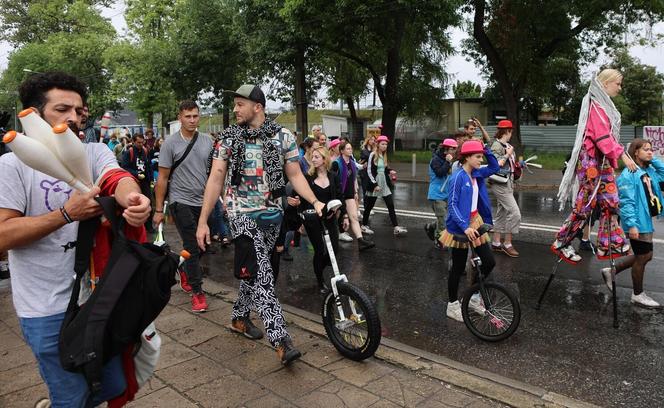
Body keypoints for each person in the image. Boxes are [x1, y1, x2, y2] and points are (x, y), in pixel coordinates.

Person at [0, 71, 152, 407]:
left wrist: (133, 200)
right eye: (62, 109)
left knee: (110, 386)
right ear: (34, 117)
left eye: (78, 110)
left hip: (98, 299)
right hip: (45, 309)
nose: (73, 117)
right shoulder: (11, 167)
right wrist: (66, 214)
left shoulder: (94, 151)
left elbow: (117, 177)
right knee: (72, 398)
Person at [196, 84, 326, 365]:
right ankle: (281, 340)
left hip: (272, 215)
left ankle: (240, 318)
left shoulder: (283, 137)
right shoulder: (228, 139)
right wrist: (203, 221)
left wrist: (315, 201)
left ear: (258, 107)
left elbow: (295, 175)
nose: (235, 109)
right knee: (264, 275)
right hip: (240, 213)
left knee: (255, 273)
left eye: (240, 104)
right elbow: (216, 178)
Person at [553, 69, 637, 264]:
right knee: (586, 204)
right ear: (606, 84)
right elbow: (602, 138)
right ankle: (562, 242)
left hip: (602, 161)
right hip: (591, 161)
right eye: (618, 84)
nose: (620, 87)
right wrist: (623, 155)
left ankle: (609, 242)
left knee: (610, 200)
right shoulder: (596, 107)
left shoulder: (604, 107)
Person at [153, 100, 214, 312]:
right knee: (192, 246)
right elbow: (162, 178)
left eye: (195, 116)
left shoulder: (207, 141)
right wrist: (159, 210)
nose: (192, 120)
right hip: (180, 201)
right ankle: (197, 293)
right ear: (180, 117)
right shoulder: (170, 144)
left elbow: (214, 175)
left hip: (204, 201)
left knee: (204, 245)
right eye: (187, 116)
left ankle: (183, 266)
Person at [439, 140, 499, 322]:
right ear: (467, 157)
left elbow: (495, 166)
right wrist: (464, 227)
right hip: (459, 226)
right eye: (478, 156)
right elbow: (452, 205)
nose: (481, 159)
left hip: (475, 221)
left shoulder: (476, 173)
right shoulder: (458, 177)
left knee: (489, 262)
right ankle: (452, 305)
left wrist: (486, 149)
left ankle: (472, 297)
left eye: (481, 156)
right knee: (457, 268)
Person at [605, 139, 663, 308]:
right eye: (646, 150)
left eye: (652, 150)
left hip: (645, 219)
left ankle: (611, 271)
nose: (650, 152)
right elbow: (626, 202)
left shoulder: (648, 170)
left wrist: (653, 160)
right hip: (638, 221)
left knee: (645, 255)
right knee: (643, 256)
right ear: (635, 152)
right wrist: (632, 225)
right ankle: (637, 294)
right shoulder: (628, 174)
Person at [300, 146, 341, 293]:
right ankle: (320, 280)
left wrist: (337, 209)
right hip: (313, 219)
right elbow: (300, 198)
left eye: (317, 157)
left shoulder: (333, 176)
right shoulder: (307, 177)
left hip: (329, 218)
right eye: (312, 156)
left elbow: (339, 196)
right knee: (319, 250)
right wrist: (301, 220)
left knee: (334, 250)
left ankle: (319, 267)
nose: (313, 159)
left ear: (324, 159)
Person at [363, 135, 408, 236]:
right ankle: (364, 225)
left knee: (390, 205)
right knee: (369, 206)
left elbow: (383, 168)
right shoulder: (372, 154)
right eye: (383, 144)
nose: (385, 146)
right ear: (378, 144)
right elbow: (369, 171)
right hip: (374, 182)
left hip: (384, 182)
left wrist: (390, 171)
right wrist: (374, 184)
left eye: (386, 144)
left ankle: (396, 227)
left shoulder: (384, 155)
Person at [489, 120, 521, 257]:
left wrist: (518, 165)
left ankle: (496, 243)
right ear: (507, 131)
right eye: (511, 131)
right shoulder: (496, 145)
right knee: (515, 213)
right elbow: (497, 165)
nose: (511, 133)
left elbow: (508, 165)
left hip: (508, 183)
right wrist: (508, 155)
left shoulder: (506, 145)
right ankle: (507, 243)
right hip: (500, 183)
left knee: (502, 212)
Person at [335, 140, 374, 250]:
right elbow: (333, 181)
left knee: (354, 218)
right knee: (336, 217)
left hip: (349, 194)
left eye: (351, 148)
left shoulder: (352, 163)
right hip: (339, 195)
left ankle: (361, 241)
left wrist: (355, 192)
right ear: (342, 151)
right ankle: (331, 237)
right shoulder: (336, 163)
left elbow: (352, 179)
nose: (350, 150)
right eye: (347, 148)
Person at [425, 138, 458, 247]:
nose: (454, 151)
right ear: (446, 149)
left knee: (446, 218)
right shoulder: (436, 159)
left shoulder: (449, 158)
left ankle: (432, 226)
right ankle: (439, 240)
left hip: (447, 193)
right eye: (453, 149)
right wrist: (448, 162)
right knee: (443, 219)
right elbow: (440, 173)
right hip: (436, 194)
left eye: (455, 149)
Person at [122, 133, 153, 233]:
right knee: (135, 203)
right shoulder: (128, 153)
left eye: (142, 142)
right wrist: (136, 174)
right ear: (133, 142)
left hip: (145, 182)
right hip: (134, 182)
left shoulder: (145, 150)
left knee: (148, 203)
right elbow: (124, 168)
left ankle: (149, 226)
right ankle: (136, 227)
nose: (141, 144)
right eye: (138, 142)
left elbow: (148, 166)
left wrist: (151, 179)